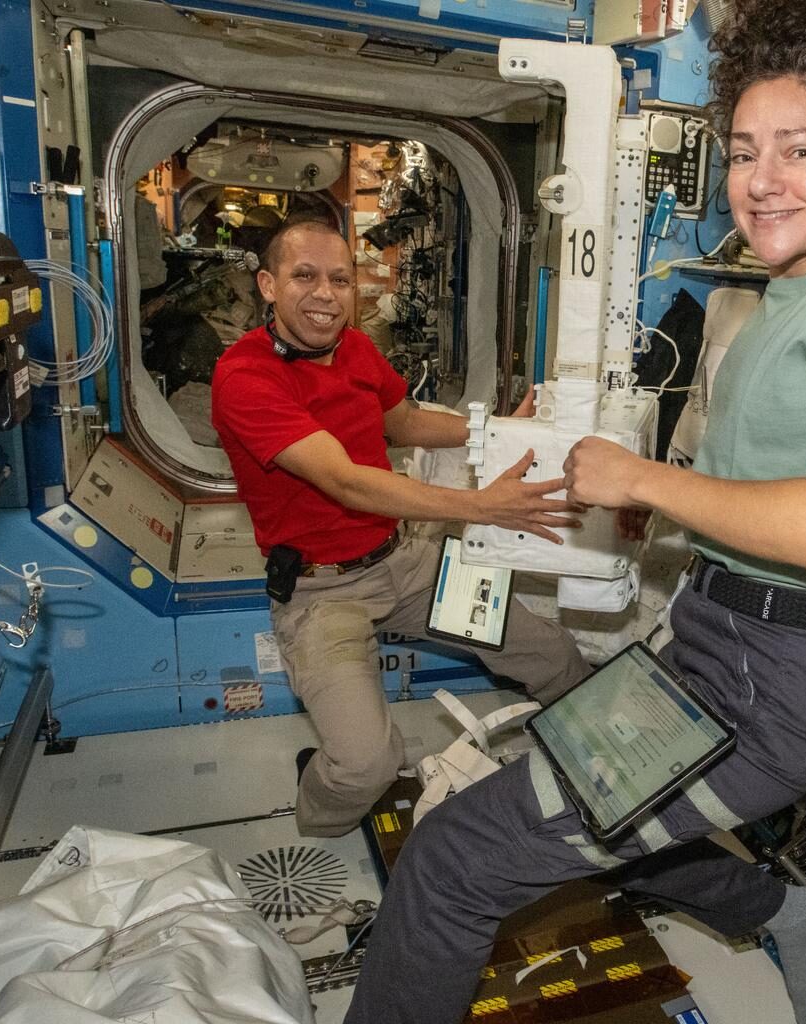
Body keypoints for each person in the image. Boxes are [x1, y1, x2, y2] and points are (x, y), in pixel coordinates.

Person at [342, 1, 806, 1021]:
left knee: (456, 859)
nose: (763, 179)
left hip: (771, 681)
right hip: (720, 633)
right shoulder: (791, 291)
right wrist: (664, 522)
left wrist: (643, 482)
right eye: (746, 150)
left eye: (801, 150)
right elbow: (768, 491)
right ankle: (782, 910)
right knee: (581, 796)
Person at [210, 215, 592, 838]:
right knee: (366, 764)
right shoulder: (245, 377)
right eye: (303, 276)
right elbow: (345, 480)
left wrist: (499, 430)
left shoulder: (357, 350)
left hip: (404, 565)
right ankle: (320, 828)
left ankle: (597, 762)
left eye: (339, 278)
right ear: (268, 286)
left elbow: (406, 424)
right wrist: (481, 506)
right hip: (321, 594)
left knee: (551, 652)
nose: (326, 294)